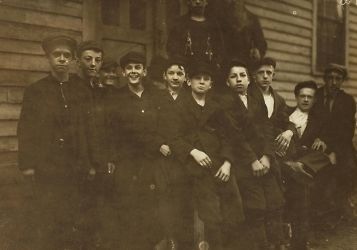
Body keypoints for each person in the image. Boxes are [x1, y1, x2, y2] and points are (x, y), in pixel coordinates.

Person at [17, 35, 96, 250]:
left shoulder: (81, 89)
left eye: (66, 55)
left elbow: (90, 129)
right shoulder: (36, 91)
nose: (62, 59)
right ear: (48, 58)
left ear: (72, 60)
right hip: (48, 166)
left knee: (77, 217)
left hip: (77, 165)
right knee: (50, 219)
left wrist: (91, 163)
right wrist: (27, 165)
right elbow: (25, 129)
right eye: (57, 55)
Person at [170, 60, 244, 250]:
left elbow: (229, 136)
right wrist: (193, 152)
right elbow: (174, 137)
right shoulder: (179, 106)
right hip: (195, 167)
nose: (201, 82)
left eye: (206, 79)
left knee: (234, 211)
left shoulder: (217, 107)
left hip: (220, 163)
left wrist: (227, 163)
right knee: (211, 216)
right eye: (197, 79)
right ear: (189, 82)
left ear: (211, 84)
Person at [222, 59, 285, 250]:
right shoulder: (225, 103)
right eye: (234, 77)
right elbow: (235, 135)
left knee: (275, 202)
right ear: (227, 82)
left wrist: (266, 156)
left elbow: (266, 129)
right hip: (243, 163)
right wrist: (253, 160)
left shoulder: (256, 100)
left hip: (264, 160)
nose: (239, 80)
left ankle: (278, 244)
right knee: (256, 207)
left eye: (242, 76)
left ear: (249, 80)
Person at [110, 51, 165, 249]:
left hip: (153, 161)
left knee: (153, 208)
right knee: (130, 208)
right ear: (124, 72)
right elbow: (117, 131)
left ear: (144, 71)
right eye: (129, 68)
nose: (134, 71)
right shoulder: (116, 98)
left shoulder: (156, 96)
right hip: (128, 162)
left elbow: (163, 126)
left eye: (138, 67)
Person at [282, 81, 332, 250]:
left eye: (309, 97)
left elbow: (326, 143)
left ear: (314, 100)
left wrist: (321, 139)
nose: (305, 99)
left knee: (323, 157)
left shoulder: (318, 121)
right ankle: (293, 243)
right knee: (300, 191)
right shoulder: (284, 114)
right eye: (302, 96)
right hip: (283, 161)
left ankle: (299, 244)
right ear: (296, 97)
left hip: (302, 166)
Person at [153, 56, 193, 250]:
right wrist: (159, 144)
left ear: (186, 77)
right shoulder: (156, 98)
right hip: (163, 156)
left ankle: (184, 241)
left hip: (184, 157)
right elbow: (148, 126)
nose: (175, 77)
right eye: (171, 73)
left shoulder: (191, 97)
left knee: (184, 199)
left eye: (180, 73)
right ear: (164, 76)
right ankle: (169, 239)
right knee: (164, 198)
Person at [312, 63, 357, 222]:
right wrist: (319, 140)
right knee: (316, 171)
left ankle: (341, 203)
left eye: (338, 79)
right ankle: (320, 208)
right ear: (325, 79)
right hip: (316, 143)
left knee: (348, 169)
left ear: (342, 81)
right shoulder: (315, 96)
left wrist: (334, 151)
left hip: (340, 145)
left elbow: (347, 131)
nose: (334, 82)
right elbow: (310, 123)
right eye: (330, 78)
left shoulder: (347, 101)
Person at [252, 57, 296, 159]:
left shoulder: (279, 100)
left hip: (275, 148)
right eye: (261, 72)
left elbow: (286, 122)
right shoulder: (247, 95)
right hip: (255, 147)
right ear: (254, 75)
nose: (265, 76)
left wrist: (289, 132)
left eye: (269, 73)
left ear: (273, 75)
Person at [206, 0, 267, 68]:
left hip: (246, 66)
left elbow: (261, 43)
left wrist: (257, 50)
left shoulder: (252, 19)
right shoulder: (221, 18)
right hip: (226, 65)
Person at [166, 0, 225, 68]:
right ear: (188, 2)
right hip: (186, 67)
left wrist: (215, 63)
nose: (197, 2)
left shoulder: (213, 24)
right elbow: (172, 48)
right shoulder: (180, 23)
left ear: (206, 2)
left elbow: (220, 48)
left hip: (209, 68)